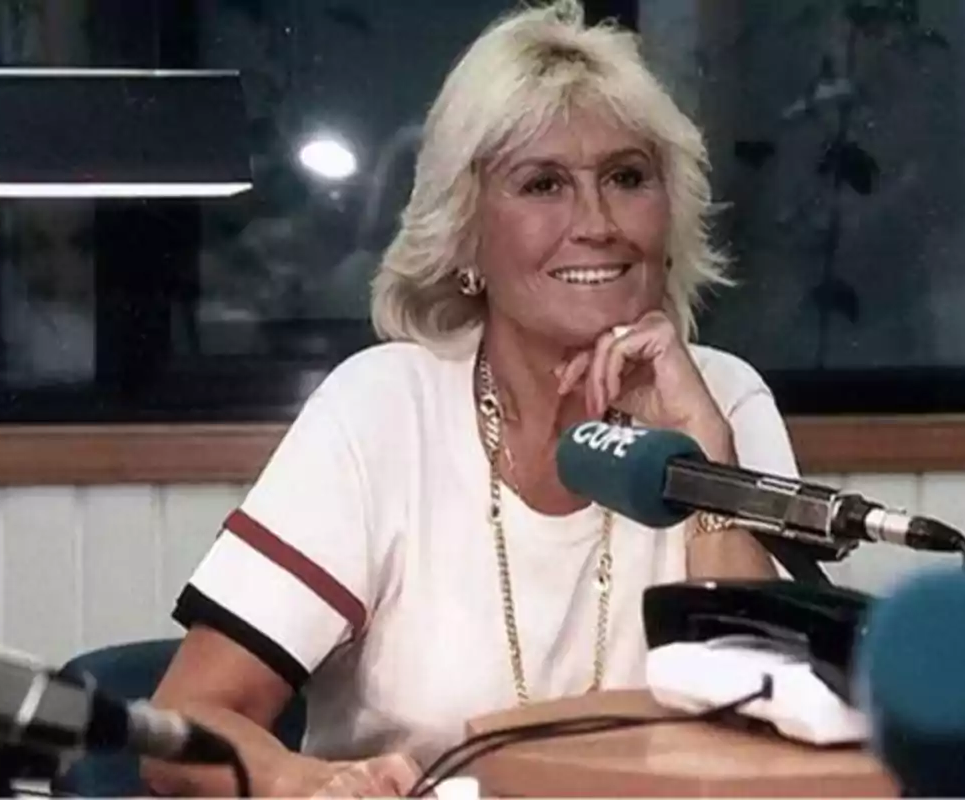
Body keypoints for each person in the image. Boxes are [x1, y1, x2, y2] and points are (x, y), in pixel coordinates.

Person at [143, 0, 816, 795]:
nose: (597, 223)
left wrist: (706, 474)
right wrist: (302, 785)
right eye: (543, 184)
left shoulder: (726, 400)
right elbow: (185, 728)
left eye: (627, 178)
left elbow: (780, 746)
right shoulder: (384, 409)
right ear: (465, 236)